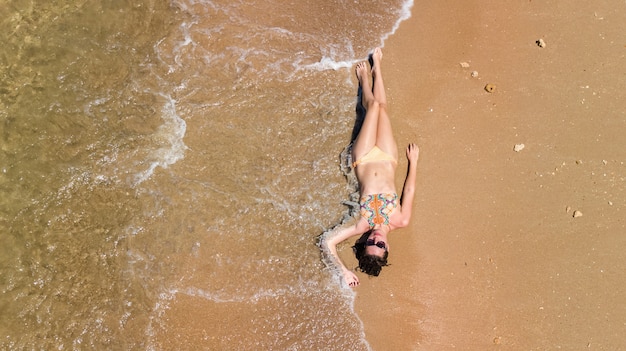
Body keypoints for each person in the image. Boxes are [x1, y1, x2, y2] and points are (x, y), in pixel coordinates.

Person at [321, 47, 419, 287]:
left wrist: (343, 271)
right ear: (387, 248)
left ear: (364, 245)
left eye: (370, 245)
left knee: (373, 107)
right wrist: (413, 163)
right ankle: (378, 67)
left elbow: (327, 243)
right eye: (381, 246)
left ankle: (364, 78)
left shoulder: (360, 224)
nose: (376, 240)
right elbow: (408, 192)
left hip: (363, 157)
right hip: (388, 158)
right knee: (382, 108)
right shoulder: (400, 220)